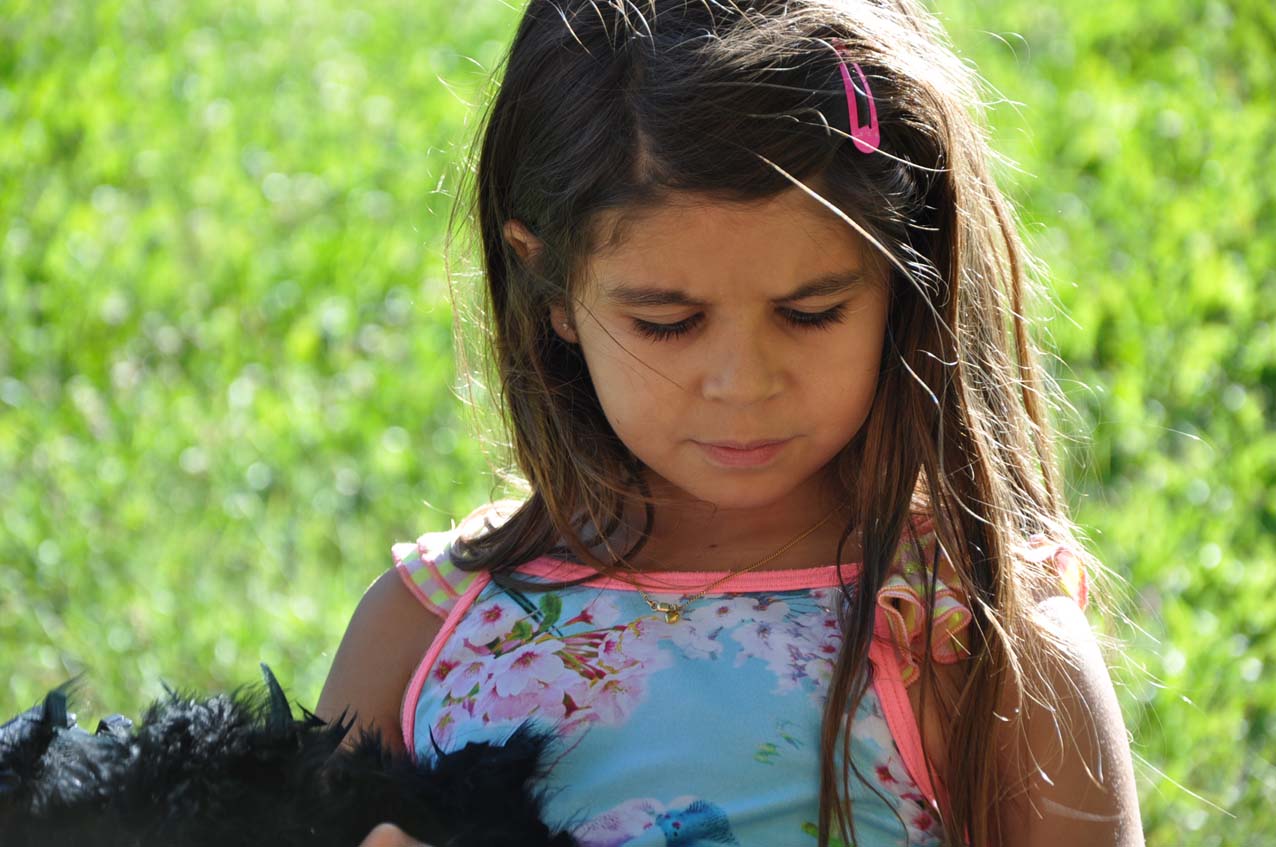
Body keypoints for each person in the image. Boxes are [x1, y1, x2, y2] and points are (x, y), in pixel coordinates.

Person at [318, 1, 1143, 845]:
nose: (744, 384)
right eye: (668, 324)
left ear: (903, 274)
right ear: (553, 286)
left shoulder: (974, 632)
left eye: (812, 312)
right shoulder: (424, 633)